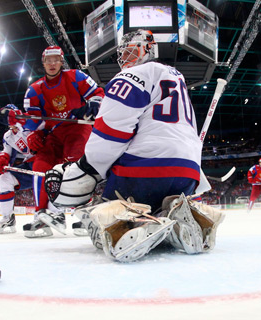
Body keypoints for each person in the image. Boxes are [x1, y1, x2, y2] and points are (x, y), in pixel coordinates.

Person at [43, 29, 224, 262]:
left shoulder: (132, 75)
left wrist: (86, 168)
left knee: (101, 220)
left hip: (145, 172)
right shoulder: (176, 77)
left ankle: (131, 225)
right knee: (161, 205)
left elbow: (111, 132)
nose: (125, 59)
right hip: (189, 176)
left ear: (149, 50)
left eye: (130, 51)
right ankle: (183, 222)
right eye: (123, 54)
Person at [7, 45, 105, 233]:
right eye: (48, 60)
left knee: (75, 166)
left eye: (56, 60)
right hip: (54, 133)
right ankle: (42, 216)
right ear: (43, 63)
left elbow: (98, 94)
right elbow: (34, 121)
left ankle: (84, 215)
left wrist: (94, 102)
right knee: (40, 165)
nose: (52, 63)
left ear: (61, 61)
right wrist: (27, 129)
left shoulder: (76, 77)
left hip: (78, 128)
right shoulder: (34, 90)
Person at [0, 105, 53, 237]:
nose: (11, 126)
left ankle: (43, 217)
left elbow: (46, 127)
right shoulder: (8, 137)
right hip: (30, 164)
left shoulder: (30, 123)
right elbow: (7, 153)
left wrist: (23, 121)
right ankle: (8, 218)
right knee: (4, 179)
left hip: (46, 161)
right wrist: (1, 158)